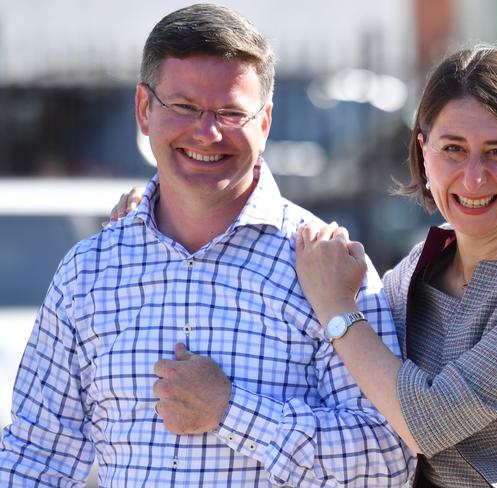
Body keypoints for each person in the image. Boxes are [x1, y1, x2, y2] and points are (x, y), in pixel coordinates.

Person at [0, 4, 414, 486]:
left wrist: (231, 411)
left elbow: (389, 463)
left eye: (231, 112)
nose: (207, 131)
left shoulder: (328, 271)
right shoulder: (89, 272)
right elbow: (35, 459)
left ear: (265, 122)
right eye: (184, 107)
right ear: (143, 110)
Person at [295, 46, 497, 487]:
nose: (473, 178)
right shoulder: (416, 270)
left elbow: (426, 420)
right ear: (423, 151)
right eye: (453, 149)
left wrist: (336, 307)